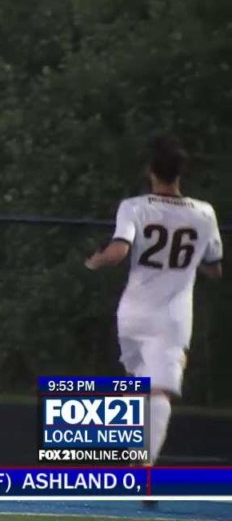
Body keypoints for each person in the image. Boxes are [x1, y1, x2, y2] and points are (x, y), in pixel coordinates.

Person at [85, 136, 222, 470]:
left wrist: (96, 260)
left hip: (133, 311)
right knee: (159, 391)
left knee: (138, 385)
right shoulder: (204, 212)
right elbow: (214, 268)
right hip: (171, 316)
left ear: (151, 171)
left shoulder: (134, 206)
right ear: (181, 173)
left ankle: (125, 455)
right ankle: (142, 464)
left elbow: (118, 251)